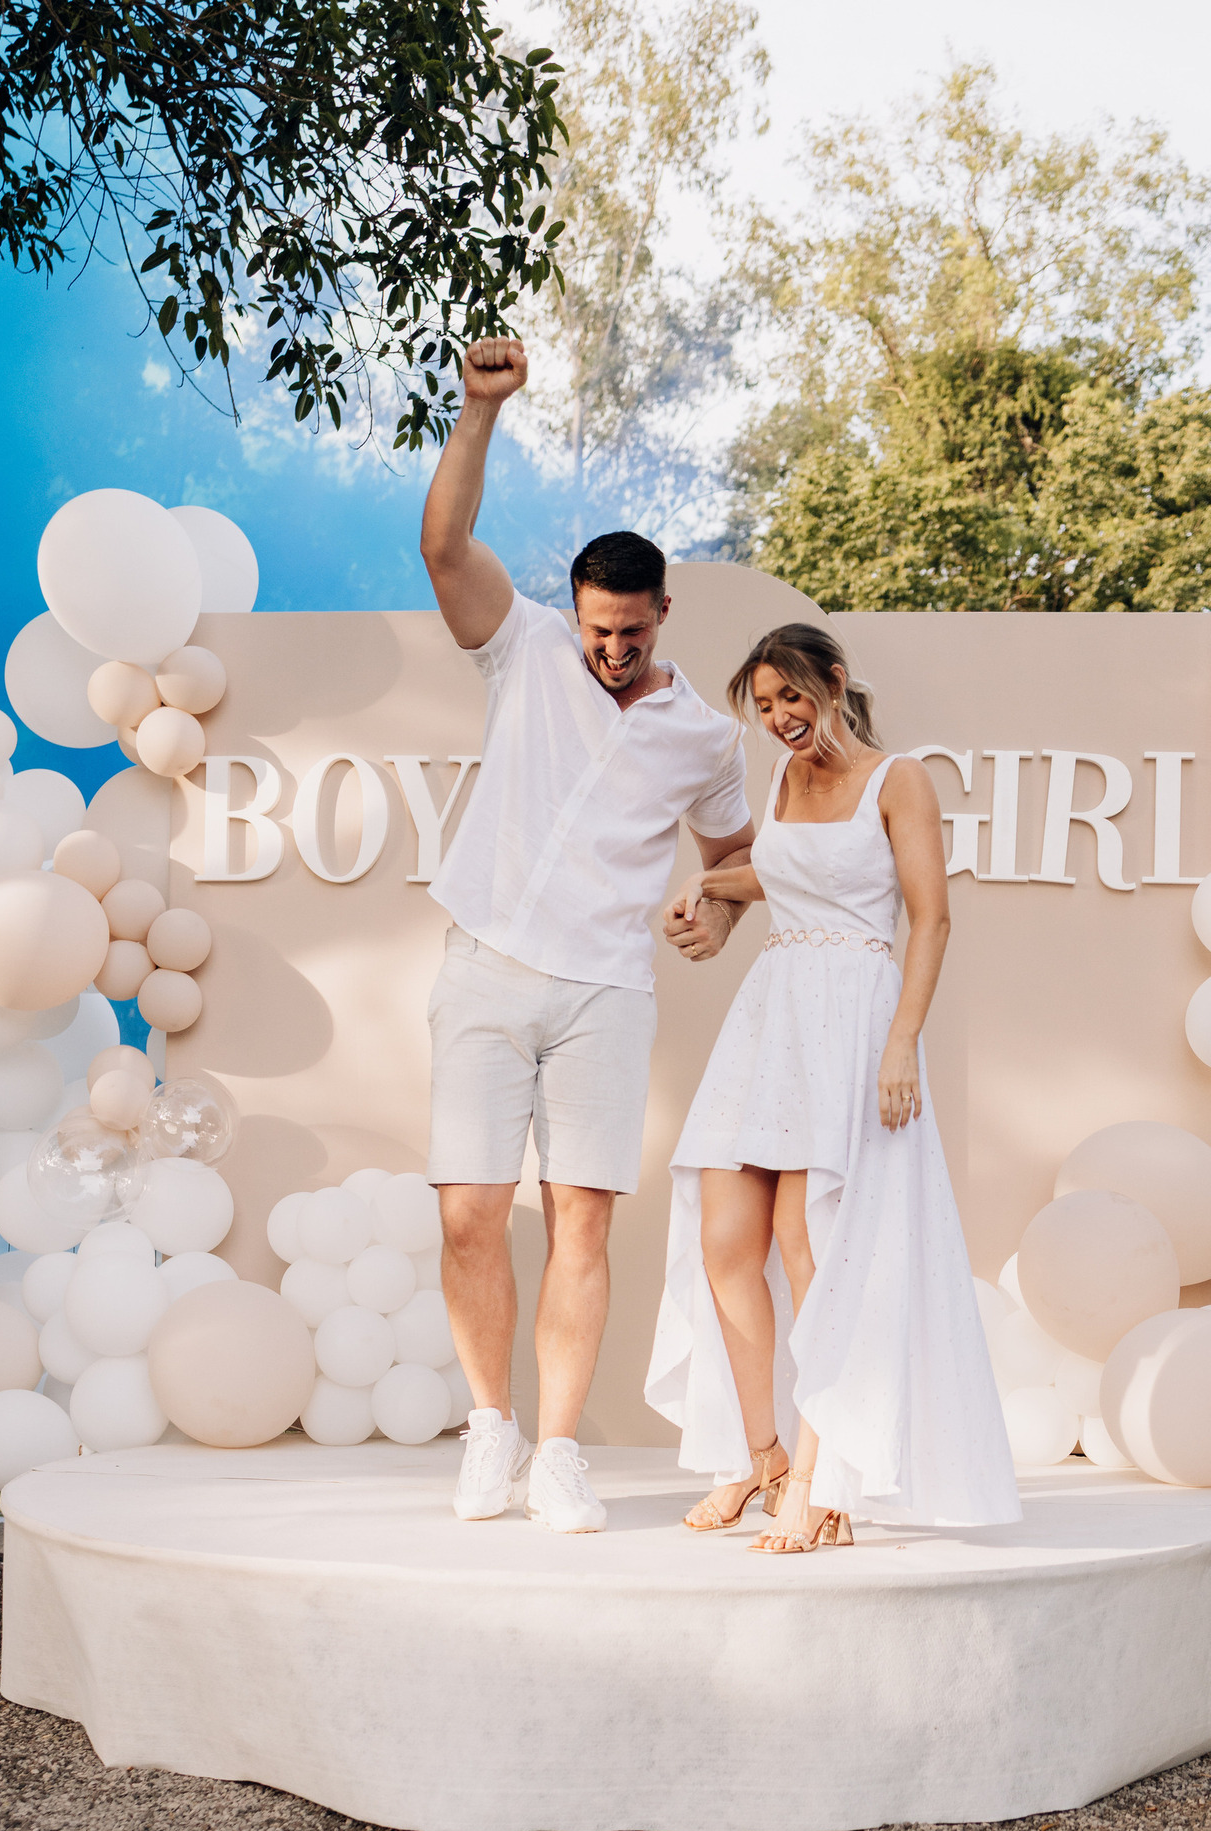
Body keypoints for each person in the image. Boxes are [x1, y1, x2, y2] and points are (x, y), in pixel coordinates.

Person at [419, 336, 756, 1533]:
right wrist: (478, 409)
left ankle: (556, 1449)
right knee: (466, 1212)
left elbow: (730, 859)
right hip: (484, 967)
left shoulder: (703, 742)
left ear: (663, 611)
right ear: (573, 611)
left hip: (607, 994)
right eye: (596, 628)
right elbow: (446, 548)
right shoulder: (522, 653)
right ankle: (490, 1430)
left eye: (632, 629)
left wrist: (712, 909)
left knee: (582, 1219)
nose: (612, 647)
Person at [646, 621, 1021, 1550]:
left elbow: (929, 922)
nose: (779, 719)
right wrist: (713, 886)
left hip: (856, 1019)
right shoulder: (779, 783)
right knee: (725, 1238)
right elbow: (785, 873)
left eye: (790, 698)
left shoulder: (900, 781)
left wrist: (902, 1045)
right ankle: (761, 1454)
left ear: (835, 683)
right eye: (765, 706)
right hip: (773, 1012)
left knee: (811, 1244)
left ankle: (823, 1477)